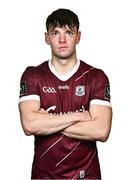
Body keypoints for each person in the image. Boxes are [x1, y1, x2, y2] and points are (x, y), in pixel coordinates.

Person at [19, 8, 112, 179]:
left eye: (69, 32)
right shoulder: (33, 75)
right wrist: (80, 116)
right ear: (47, 38)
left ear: (78, 36)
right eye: (55, 33)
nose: (62, 39)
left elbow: (101, 130)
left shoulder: (95, 77)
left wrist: (47, 122)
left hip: (87, 176)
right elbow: (30, 125)